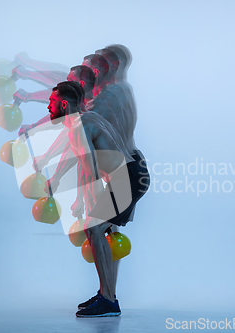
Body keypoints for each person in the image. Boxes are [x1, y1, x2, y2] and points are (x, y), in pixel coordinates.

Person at [48, 82, 149, 317]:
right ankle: (108, 295)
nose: (48, 109)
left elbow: (90, 170)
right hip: (135, 169)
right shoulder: (85, 120)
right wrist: (56, 177)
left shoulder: (77, 127)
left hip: (128, 176)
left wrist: (84, 203)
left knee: (93, 228)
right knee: (100, 228)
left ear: (64, 104)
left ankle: (107, 300)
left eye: (51, 103)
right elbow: (76, 156)